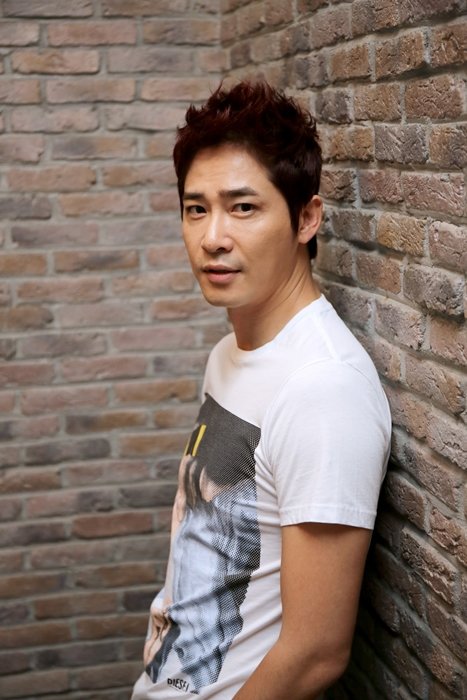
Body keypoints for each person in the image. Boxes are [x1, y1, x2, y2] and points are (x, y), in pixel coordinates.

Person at [131, 80, 391, 700]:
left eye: (243, 208)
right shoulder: (231, 354)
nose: (212, 237)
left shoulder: (322, 389)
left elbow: (315, 654)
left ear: (307, 218)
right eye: (196, 209)